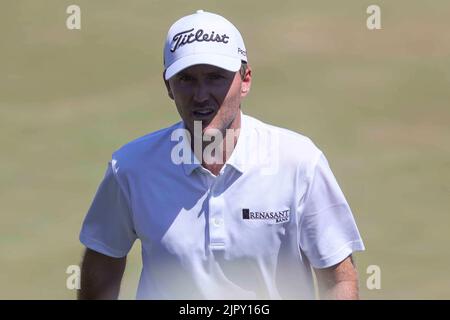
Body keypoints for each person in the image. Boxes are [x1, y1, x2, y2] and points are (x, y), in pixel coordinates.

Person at [78, 9, 365, 300]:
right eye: (186, 79)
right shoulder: (131, 168)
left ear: (245, 80)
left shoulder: (299, 163)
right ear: (168, 86)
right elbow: (102, 267)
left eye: (215, 77)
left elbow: (339, 280)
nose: (201, 95)